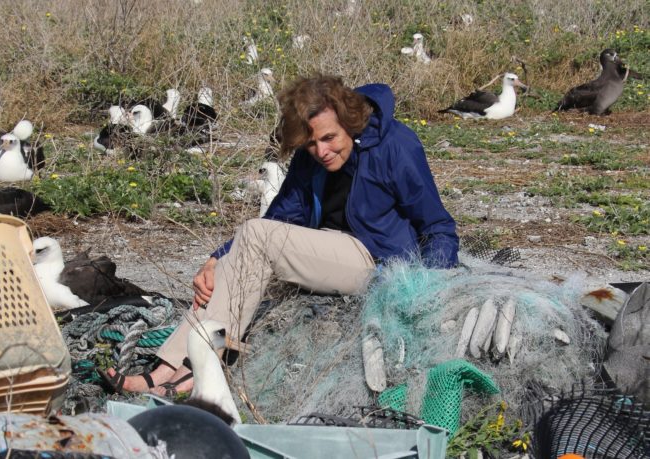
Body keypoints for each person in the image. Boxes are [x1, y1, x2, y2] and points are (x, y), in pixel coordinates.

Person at [103, 74, 459, 396]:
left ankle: (193, 367)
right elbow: (279, 218)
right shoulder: (311, 155)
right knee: (224, 273)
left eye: (329, 138)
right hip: (325, 253)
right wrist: (216, 258)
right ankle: (171, 367)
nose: (321, 152)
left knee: (255, 239)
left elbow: (438, 226)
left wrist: (420, 288)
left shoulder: (396, 146)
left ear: (350, 122)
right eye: (310, 144)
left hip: (378, 262)